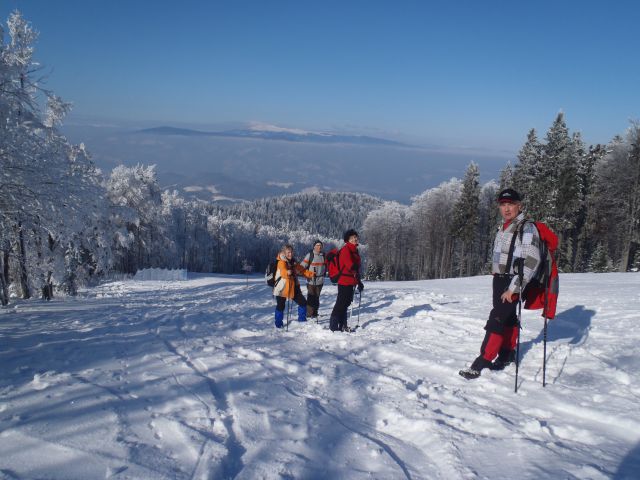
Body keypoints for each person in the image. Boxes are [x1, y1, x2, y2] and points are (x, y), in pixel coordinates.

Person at [459, 188, 541, 380]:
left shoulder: (526, 228)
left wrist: (514, 288)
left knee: (496, 318)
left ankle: (483, 361)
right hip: (500, 279)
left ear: (519, 205)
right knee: (508, 317)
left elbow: (532, 259)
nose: (506, 208)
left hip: (513, 282)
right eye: (503, 205)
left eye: (510, 204)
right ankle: (507, 354)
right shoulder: (504, 227)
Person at [329, 229, 364, 332]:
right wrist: (358, 279)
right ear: (348, 240)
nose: (355, 239)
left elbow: (355, 269)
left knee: (346, 304)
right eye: (352, 237)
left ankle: (342, 325)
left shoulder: (354, 250)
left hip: (351, 282)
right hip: (344, 281)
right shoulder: (346, 250)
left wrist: (358, 282)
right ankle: (333, 326)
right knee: (340, 304)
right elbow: (350, 266)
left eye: (356, 237)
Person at [273, 244, 315, 328]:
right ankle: (278, 324)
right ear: (284, 253)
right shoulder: (281, 261)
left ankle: (302, 321)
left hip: (293, 287)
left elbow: (302, 270)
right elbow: (283, 271)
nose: (290, 254)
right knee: (281, 306)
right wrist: (287, 272)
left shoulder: (294, 262)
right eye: (288, 252)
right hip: (282, 288)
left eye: (291, 252)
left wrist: (311, 274)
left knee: (303, 303)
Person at [300, 240, 326, 319]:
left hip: (320, 280)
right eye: (317, 245)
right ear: (314, 246)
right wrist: (308, 274)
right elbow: (302, 267)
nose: (319, 247)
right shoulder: (310, 255)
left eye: (320, 245)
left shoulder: (324, 256)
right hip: (311, 281)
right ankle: (309, 314)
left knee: (317, 297)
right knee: (311, 297)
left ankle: (315, 313)